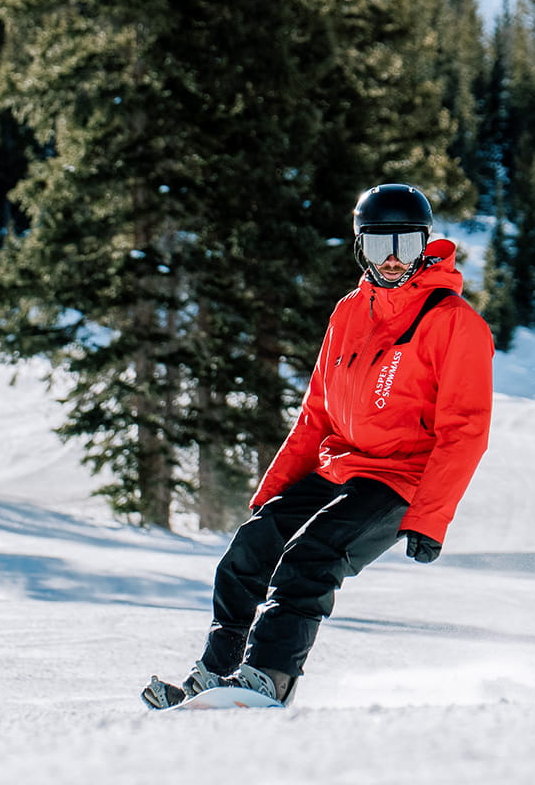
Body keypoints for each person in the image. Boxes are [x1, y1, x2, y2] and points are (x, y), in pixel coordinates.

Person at [141, 183, 495, 708]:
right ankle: (215, 676)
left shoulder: (454, 322)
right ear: (360, 247)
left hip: (400, 479)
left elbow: (465, 430)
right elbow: (317, 413)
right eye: (379, 246)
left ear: (425, 244)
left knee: (310, 559)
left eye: (405, 244)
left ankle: (267, 678)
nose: (393, 259)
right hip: (340, 467)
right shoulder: (349, 312)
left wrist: (429, 519)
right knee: (249, 551)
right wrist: (274, 492)